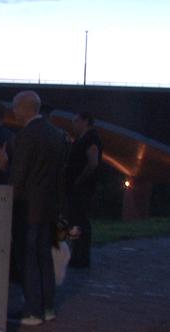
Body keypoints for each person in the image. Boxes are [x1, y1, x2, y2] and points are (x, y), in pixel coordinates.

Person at [9, 90, 67, 326]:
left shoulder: (27, 135)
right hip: (49, 207)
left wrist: (9, 198)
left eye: (15, 108)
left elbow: (19, 174)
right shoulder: (56, 134)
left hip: (28, 207)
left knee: (29, 257)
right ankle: (48, 306)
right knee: (44, 257)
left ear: (25, 108)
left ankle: (32, 310)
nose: (14, 112)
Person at [65, 111, 103, 269]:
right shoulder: (81, 139)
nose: (74, 124)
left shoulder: (91, 138)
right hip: (76, 187)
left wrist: (79, 180)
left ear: (85, 121)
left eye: (76, 121)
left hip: (82, 188)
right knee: (74, 220)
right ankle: (76, 253)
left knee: (80, 220)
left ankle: (81, 255)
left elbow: (92, 162)